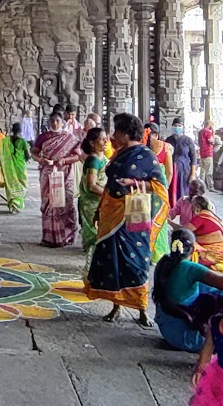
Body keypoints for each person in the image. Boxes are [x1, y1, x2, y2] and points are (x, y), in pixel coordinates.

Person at [83, 113, 168, 324]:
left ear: (127, 132)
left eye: (117, 131)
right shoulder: (119, 154)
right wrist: (100, 208)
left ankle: (141, 309)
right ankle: (116, 306)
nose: (113, 135)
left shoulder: (147, 156)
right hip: (111, 212)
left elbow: (159, 186)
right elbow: (111, 183)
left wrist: (134, 182)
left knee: (136, 260)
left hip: (134, 212)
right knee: (114, 262)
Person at [152, 229, 223, 352]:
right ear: (193, 249)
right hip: (187, 338)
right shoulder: (189, 267)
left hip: (168, 329)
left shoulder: (164, 262)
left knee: (212, 290)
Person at [35, 114, 84, 247]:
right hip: (48, 173)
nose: (55, 123)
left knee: (65, 202)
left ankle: (66, 235)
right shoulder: (43, 137)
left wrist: (64, 160)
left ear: (62, 122)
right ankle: (50, 237)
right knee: (49, 203)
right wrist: (40, 159)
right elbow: (33, 152)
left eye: (57, 121)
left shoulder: (70, 138)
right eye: (52, 121)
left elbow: (78, 156)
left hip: (65, 174)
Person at [77, 127, 109, 261]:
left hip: (101, 199)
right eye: (102, 139)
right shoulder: (93, 161)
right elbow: (91, 185)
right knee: (93, 228)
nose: (105, 141)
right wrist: (108, 194)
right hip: (92, 201)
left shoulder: (102, 158)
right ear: (92, 143)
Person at [145, 124, 176, 264]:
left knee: (152, 221)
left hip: (150, 190)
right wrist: (164, 187)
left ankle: (152, 253)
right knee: (153, 221)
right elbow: (169, 172)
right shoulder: (161, 147)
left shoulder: (163, 148)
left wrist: (164, 188)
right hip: (152, 190)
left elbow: (169, 172)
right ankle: (154, 253)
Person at [187, 194, 223, 272]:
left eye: (192, 207)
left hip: (214, 255)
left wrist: (169, 223)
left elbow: (184, 231)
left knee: (187, 243)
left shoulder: (201, 217)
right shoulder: (213, 216)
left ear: (197, 207)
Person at [0, 121, 31, 213]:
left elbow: (0, 152)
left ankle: (12, 205)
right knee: (22, 185)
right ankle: (17, 204)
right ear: (20, 130)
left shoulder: (5, 141)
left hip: (9, 167)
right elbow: (28, 155)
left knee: (10, 184)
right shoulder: (23, 141)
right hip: (20, 166)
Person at [170, 119, 196, 204]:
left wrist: (192, 174)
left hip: (185, 171)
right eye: (175, 126)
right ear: (172, 126)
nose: (177, 128)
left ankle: (184, 209)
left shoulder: (188, 140)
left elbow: (193, 157)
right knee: (172, 190)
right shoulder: (168, 140)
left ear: (183, 127)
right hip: (171, 171)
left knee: (184, 191)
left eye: (179, 126)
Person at [198, 119, 217, 186]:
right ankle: (210, 186)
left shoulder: (200, 132)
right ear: (210, 125)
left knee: (202, 171)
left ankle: (201, 185)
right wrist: (213, 134)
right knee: (209, 171)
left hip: (202, 153)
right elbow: (211, 141)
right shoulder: (208, 132)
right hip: (208, 153)